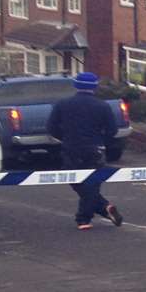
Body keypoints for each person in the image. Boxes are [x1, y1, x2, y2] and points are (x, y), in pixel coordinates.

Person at [46, 71, 123, 230]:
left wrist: (65, 138)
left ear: (75, 86)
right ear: (95, 88)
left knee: (74, 179)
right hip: (95, 148)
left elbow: (51, 128)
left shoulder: (63, 104)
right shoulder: (102, 106)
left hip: (71, 148)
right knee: (92, 182)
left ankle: (85, 218)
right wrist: (101, 141)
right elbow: (112, 130)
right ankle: (99, 210)